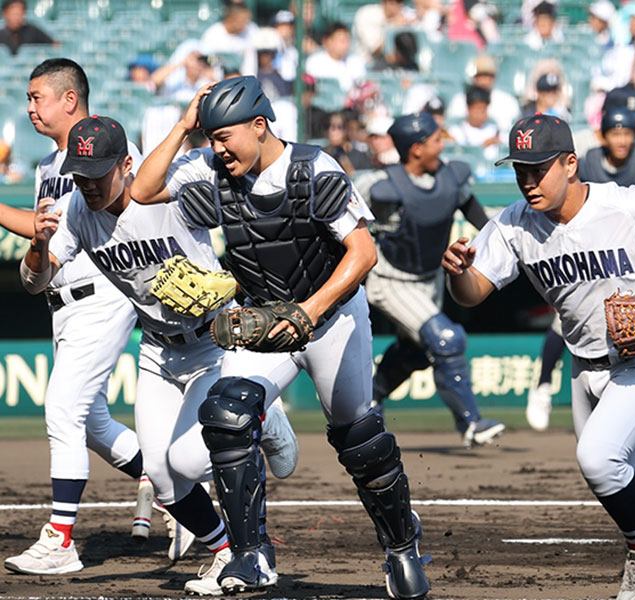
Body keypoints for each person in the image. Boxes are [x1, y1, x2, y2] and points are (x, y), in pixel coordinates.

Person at [130, 76, 431, 599]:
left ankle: (402, 546)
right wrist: (184, 125)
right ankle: (251, 556)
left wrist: (309, 311)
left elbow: (363, 253)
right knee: (225, 417)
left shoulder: (313, 168)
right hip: (262, 320)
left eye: (225, 137)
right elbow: (142, 190)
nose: (218, 150)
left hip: (332, 317)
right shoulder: (211, 168)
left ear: (259, 125)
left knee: (359, 439)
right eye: (211, 138)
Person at [443, 113, 635, 599]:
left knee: (597, 459)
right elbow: (473, 294)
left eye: (539, 169)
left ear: (570, 164)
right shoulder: (512, 224)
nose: (529, 181)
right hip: (585, 366)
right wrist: (457, 274)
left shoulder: (623, 203)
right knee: (621, 483)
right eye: (521, 170)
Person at [18, 113, 298, 594]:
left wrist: (187, 127)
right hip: (158, 350)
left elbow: (242, 176)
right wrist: (39, 246)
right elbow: (33, 281)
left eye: (98, 173)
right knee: (163, 479)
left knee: (189, 461)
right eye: (80, 175)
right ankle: (224, 551)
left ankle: (258, 415)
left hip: (214, 342)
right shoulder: (76, 211)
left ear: (127, 165)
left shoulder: (170, 193)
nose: (88, 185)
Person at [2, 59, 146, 576]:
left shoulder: (109, 150)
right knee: (92, 421)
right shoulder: (48, 165)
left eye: (37, 96)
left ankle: (60, 539)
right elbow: (45, 229)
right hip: (62, 299)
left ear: (69, 99)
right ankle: (175, 486)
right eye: (28, 97)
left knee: (63, 410)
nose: (30, 107)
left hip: (102, 292)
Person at [357, 112, 505, 447]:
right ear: (416, 149)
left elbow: (476, 213)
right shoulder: (378, 184)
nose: (443, 145)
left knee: (417, 351)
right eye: (436, 140)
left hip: (430, 278)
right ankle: (471, 423)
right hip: (391, 279)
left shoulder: (450, 176)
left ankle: (370, 399)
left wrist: (504, 240)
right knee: (445, 339)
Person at [579, 106, 635, 186]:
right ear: (604, 137)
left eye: (627, 134)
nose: (622, 142)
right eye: (615, 135)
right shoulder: (589, 162)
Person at [447, 54, 520, 133]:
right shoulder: (459, 100)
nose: (484, 80)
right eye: (480, 76)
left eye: (488, 76)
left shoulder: (508, 101)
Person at [304, 21, 367, 93]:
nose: (345, 44)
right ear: (327, 41)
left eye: (347, 40)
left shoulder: (355, 60)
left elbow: (361, 86)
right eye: (341, 40)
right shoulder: (314, 62)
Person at [446, 86, 501, 161]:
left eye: (484, 110)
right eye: (477, 109)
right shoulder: (456, 132)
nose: (480, 114)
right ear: (468, 109)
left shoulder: (495, 131)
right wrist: (483, 146)